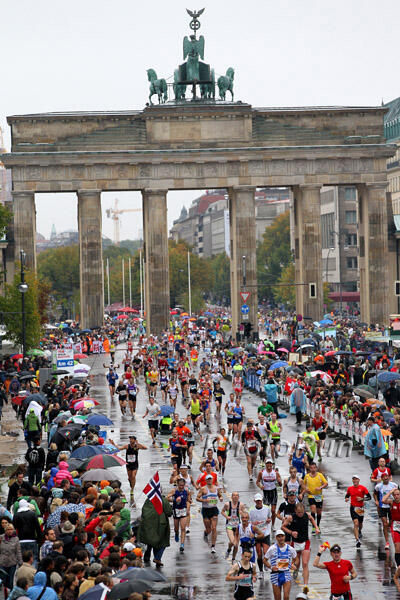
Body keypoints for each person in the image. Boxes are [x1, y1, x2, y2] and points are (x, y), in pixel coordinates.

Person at [281, 502, 318, 588]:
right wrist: (291, 532)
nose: (300, 514)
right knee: (296, 563)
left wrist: (316, 527)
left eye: (301, 512)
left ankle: (305, 585)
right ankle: (296, 570)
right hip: (295, 543)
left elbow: (312, 519)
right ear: (295, 511)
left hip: (305, 542)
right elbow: (283, 527)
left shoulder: (307, 515)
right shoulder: (291, 517)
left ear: (304, 510)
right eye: (298, 512)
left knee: (305, 563)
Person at [138, 495, 172, 567]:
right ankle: (157, 558)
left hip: (148, 524)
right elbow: (169, 512)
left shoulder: (148, 500)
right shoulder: (163, 500)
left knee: (150, 540)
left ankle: (148, 555)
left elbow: (143, 512)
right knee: (162, 542)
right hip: (161, 524)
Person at [111, 435, 147, 503]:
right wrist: (113, 444)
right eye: (130, 439)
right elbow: (119, 448)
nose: (130, 440)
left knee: (133, 476)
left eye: (132, 439)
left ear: (134, 440)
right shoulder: (127, 446)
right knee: (129, 478)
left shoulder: (137, 446)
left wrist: (138, 444)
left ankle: (132, 489)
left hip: (135, 464)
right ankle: (131, 484)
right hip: (128, 464)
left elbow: (145, 448)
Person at [264, 529, 297, 600]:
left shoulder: (290, 549)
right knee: (277, 598)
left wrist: (292, 564)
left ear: (284, 537)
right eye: (279, 536)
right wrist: (271, 567)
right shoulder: (272, 548)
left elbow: (295, 558)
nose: (281, 538)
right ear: (276, 538)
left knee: (286, 597)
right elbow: (265, 560)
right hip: (275, 575)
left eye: (282, 536)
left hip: (286, 574)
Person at [196, 474, 223, 554]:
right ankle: (206, 532)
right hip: (206, 510)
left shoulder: (216, 488)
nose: (209, 480)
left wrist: (221, 498)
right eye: (208, 479)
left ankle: (213, 546)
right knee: (209, 529)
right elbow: (197, 498)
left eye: (210, 479)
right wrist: (205, 500)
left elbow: (220, 495)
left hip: (214, 509)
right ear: (206, 481)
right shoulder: (203, 489)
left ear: (212, 480)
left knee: (214, 528)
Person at [249, 493, 272, 579]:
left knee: (266, 552)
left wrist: (269, 520)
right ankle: (261, 571)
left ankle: (265, 563)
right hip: (257, 534)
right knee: (259, 554)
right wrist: (253, 523)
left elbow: (270, 517)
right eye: (257, 501)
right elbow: (248, 522)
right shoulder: (251, 510)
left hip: (265, 532)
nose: (259, 502)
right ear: (254, 501)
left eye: (260, 500)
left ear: (262, 500)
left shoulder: (267, 508)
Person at [345, 475, 371, 548]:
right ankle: (357, 540)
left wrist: (362, 499)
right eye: (353, 479)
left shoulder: (363, 488)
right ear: (352, 480)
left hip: (360, 508)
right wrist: (346, 498)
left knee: (360, 523)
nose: (355, 480)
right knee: (355, 523)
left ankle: (359, 531)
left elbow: (369, 497)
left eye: (356, 479)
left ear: (359, 480)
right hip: (353, 508)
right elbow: (347, 495)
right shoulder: (350, 488)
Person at [374, 472, 398, 550]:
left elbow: (398, 493)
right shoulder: (378, 486)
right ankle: (387, 542)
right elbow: (375, 494)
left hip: (391, 505)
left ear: (389, 477)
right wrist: (376, 500)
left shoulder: (394, 485)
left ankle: (388, 530)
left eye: (387, 476)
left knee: (390, 524)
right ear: (382, 478)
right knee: (384, 523)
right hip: (382, 506)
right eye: (384, 477)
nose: (386, 478)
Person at [167, 478, 191, 553]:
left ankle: (182, 544)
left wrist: (188, 505)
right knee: (176, 528)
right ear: (177, 484)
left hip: (183, 511)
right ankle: (176, 534)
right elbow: (167, 498)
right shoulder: (174, 491)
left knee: (183, 528)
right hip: (176, 511)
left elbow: (189, 499)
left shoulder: (186, 491)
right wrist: (174, 500)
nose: (181, 487)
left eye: (182, 485)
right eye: (180, 485)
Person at [303, 462, 328, 532]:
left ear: (316, 468)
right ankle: (314, 527)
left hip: (319, 496)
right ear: (309, 469)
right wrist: (306, 489)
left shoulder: (320, 475)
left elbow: (326, 483)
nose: (313, 469)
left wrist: (320, 487)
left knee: (319, 513)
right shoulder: (307, 476)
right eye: (311, 468)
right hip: (311, 496)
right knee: (313, 510)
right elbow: (303, 484)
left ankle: (318, 525)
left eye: (314, 468)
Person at [256, 459, 281, 527]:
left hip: (273, 492)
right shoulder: (262, 472)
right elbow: (257, 482)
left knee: (273, 510)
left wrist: (279, 481)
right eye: (267, 463)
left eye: (270, 463)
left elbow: (280, 484)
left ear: (272, 464)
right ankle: (265, 524)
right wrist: (260, 486)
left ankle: (272, 525)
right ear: (265, 464)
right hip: (266, 493)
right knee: (265, 510)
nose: (269, 465)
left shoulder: (275, 473)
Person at [0, 523, 23, 596]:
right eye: (8, 529)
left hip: (12, 563)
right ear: (5, 530)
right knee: (3, 581)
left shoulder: (16, 539)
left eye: (11, 529)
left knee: (11, 582)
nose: (10, 531)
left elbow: (18, 552)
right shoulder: (1, 538)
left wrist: (21, 563)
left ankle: (11, 596)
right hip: (2, 563)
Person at [221, 492, 245, 563]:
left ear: (238, 497)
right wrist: (227, 517)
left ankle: (233, 559)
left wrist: (242, 514)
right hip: (229, 526)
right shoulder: (227, 504)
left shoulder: (241, 505)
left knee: (236, 545)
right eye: (234, 495)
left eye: (237, 495)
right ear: (231, 497)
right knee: (232, 542)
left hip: (238, 526)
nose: (235, 497)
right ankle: (228, 550)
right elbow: (222, 511)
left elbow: (245, 514)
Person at [382, 487, 400, 566]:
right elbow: (383, 500)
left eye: (398, 494)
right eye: (395, 495)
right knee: (397, 546)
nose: (396, 496)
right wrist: (390, 492)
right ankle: (398, 566)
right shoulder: (392, 502)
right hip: (395, 526)